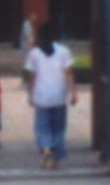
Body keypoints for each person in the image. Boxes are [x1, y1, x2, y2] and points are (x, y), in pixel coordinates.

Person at [24, 21, 76, 170]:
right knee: (58, 128)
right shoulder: (64, 51)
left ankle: (46, 152)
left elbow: (32, 77)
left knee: (42, 127)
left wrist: (30, 94)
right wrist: (73, 92)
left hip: (41, 96)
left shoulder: (34, 53)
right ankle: (55, 156)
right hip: (59, 96)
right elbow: (69, 74)